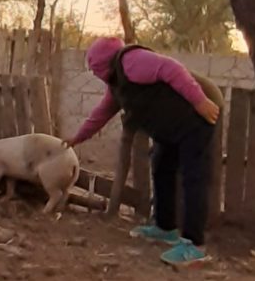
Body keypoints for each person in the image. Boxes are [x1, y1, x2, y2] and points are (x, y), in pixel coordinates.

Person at [63, 37, 220, 266]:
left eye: (95, 69)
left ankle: (194, 245)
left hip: (194, 118)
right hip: (171, 127)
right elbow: (101, 113)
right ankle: (165, 228)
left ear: (105, 64)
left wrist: (199, 102)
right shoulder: (117, 82)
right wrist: (78, 138)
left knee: (193, 178)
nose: (95, 74)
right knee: (161, 168)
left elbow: (172, 69)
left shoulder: (132, 61)